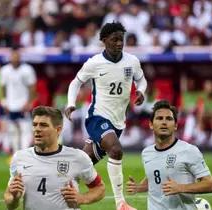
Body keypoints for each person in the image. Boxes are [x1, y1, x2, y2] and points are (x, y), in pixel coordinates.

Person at [65, 22, 147, 210]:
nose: (119, 43)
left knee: (84, 162)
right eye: (114, 39)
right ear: (104, 41)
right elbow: (75, 83)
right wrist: (71, 104)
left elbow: (142, 79)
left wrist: (141, 91)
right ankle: (121, 203)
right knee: (116, 150)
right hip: (97, 118)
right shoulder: (94, 63)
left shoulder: (132, 61)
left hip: (118, 122)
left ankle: (66, 191)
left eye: (121, 39)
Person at [4, 106, 105, 210]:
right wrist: (13, 199)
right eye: (35, 125)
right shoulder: (19, 157)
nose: (37, 129)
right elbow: (9, 197)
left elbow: (99, 188)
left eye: (43, 125)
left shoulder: (77, 157)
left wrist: (81, 199)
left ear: (58, 129)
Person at [126, 100, 212, 210]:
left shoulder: (189, 151)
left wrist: (180, 187)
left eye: (169, 119)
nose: (164, 122)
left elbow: (210, 184)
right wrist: (139, 187)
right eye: (159, 118)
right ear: (151, 124)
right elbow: (155, 177)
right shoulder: (146, 153)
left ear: (175, 126)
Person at [0, 46, 36, 154]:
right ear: (10, 57)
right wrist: (4, 102)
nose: (15, 58)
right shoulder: (4, 70)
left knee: (26, 130)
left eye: (17, 56)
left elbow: (32, 88)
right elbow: (2, 88)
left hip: (23, 105)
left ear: (20, 57)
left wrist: (29, 103)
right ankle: (16, 154)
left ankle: (25, 154)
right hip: (11, 105)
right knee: (12, 131)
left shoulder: (27, 69)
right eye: (13, 56)